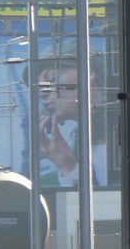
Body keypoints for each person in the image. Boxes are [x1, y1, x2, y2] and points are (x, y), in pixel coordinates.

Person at [35, 59, 108, 188]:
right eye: (39, 87)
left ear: (88, 73)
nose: (42, 93)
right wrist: (68, 166)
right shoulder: (79, 140)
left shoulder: (123, 123)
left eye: (52, 78)